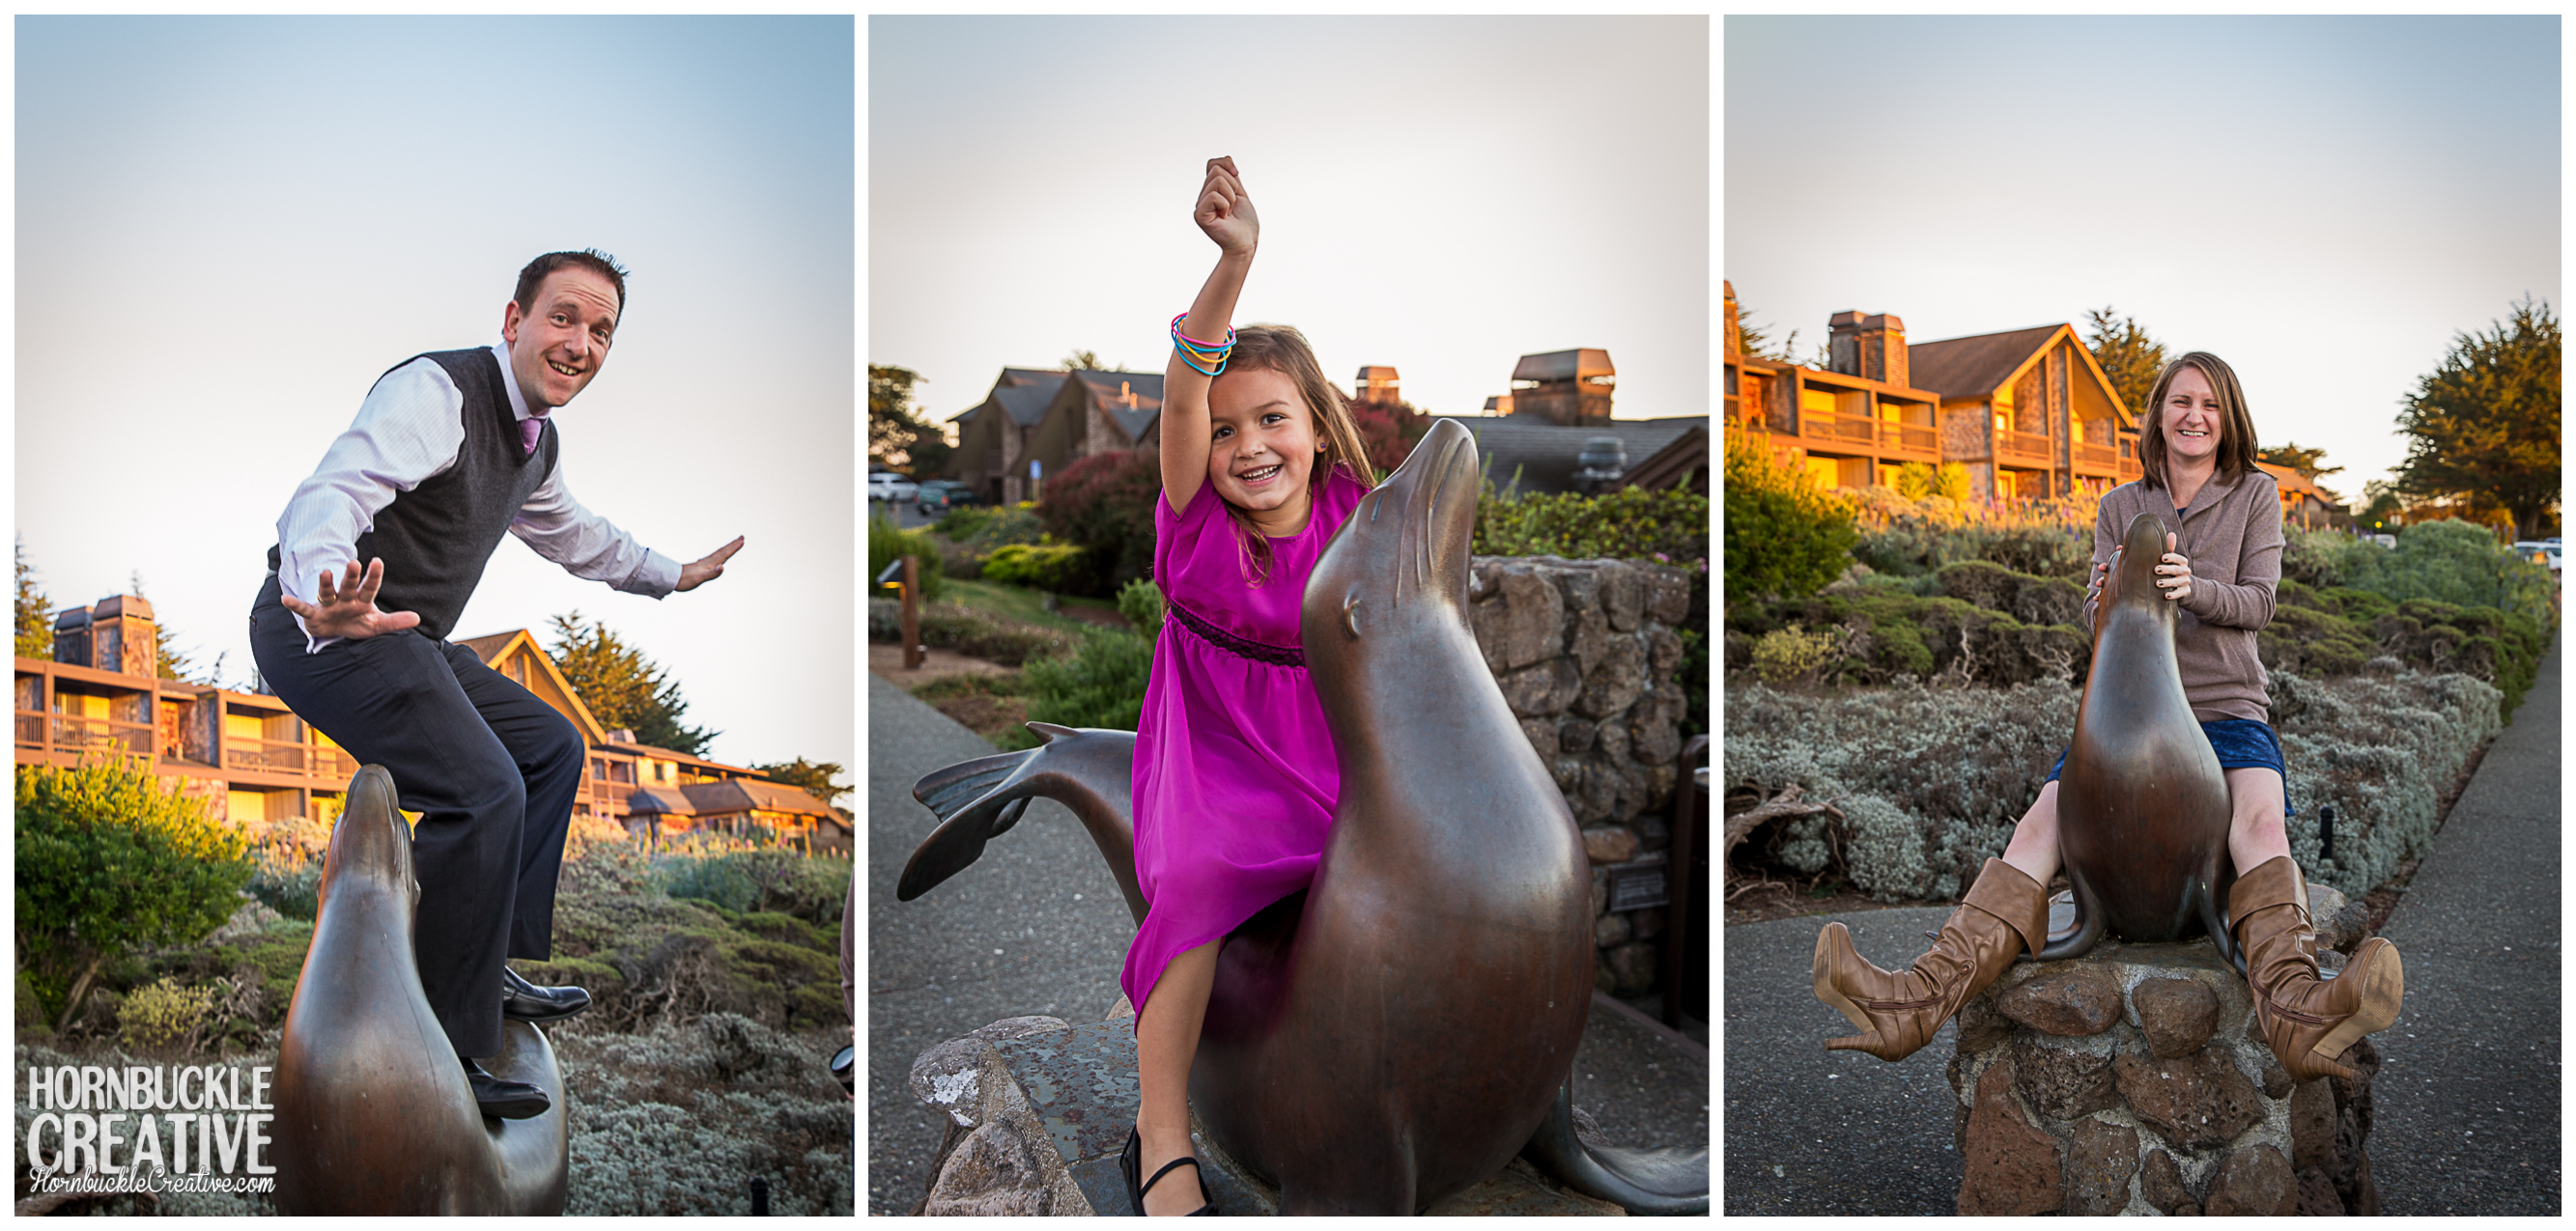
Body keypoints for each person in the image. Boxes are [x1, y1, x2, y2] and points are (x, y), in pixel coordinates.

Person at [1810, 351, 2404, 1084]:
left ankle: (2295, 1009)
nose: (2193, 415)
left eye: (2209, 405)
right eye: (2180, 401)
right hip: (2128, 718)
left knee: (2260, 824)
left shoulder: (2256, 495)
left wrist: (2196, 589)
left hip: (2221, 708)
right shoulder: (2117, 504)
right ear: (2157, 414)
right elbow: (2099, 619)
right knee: (2037, 823)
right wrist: (2105, 592)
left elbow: (2259, 602)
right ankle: (1916, 1000)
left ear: (2227, 421)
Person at [247, 250, 745, 1120]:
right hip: (326, 628)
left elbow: (578, 536)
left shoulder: (535, 446)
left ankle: (484, 965)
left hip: (411, 640)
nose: (580, 342)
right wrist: (323, 591)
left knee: (552, 746)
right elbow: (334, 487)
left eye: (601, 331)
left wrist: (672, 573)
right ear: (514, 321)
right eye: (563, 318)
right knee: (481, 790)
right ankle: (440, 1044)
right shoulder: (437, 393)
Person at [1119, 157, 1376, 1217]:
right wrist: (1236, 260)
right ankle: (1161, 1129)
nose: (1248, 446)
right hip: (1214, 742)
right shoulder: (1197, 522)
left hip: (1324, 741)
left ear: (1316, 426)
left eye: (1272, 419)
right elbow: (1188, 386)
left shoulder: (1359, 516)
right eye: (1226, 431)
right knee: (1203, 883)